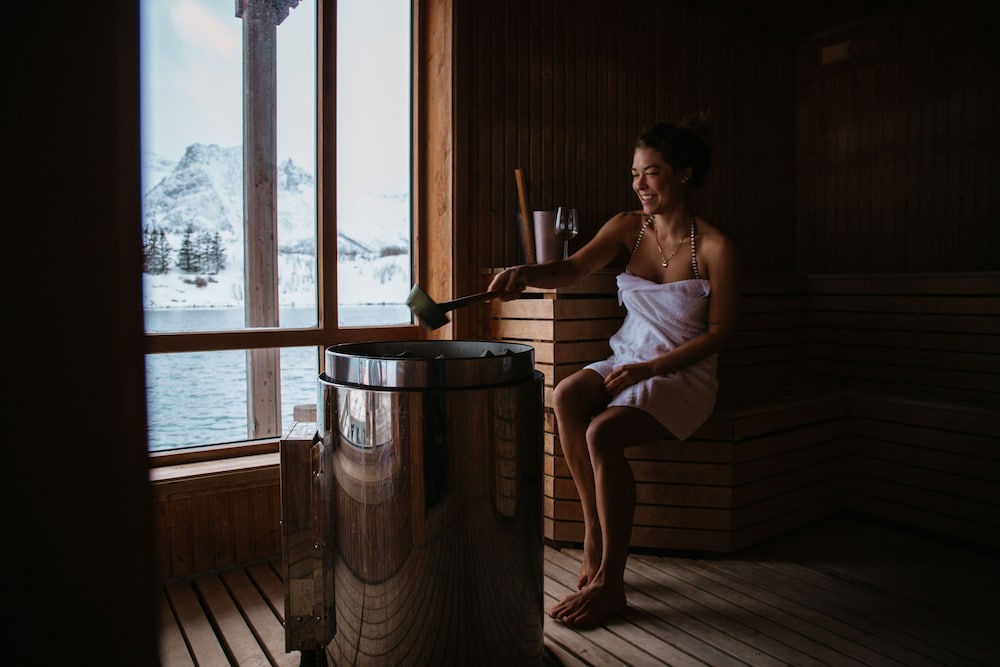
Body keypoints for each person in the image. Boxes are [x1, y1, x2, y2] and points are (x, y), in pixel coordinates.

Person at [488, 114, 741, 626]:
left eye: (652, 172)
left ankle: (611, 583)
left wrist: (650, 369)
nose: (639, 184)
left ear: (685, 173)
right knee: (565, 395)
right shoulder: (628, 227)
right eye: (634, 174)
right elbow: (571, 268)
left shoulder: (716, 247)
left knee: (601, 433)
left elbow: (719, 336)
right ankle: (595, 531)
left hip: (681, 373)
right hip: (628, 358)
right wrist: (523, 273)